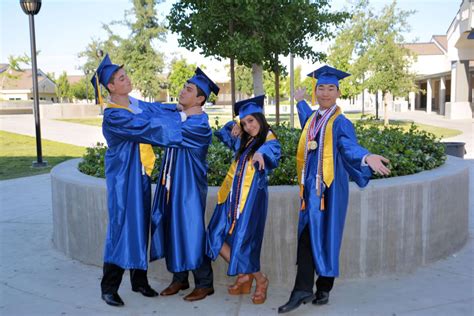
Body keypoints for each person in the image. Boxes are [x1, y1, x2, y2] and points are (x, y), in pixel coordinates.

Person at [278, 65, 391, 314]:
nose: (325, 93)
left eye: (331, 88)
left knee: (327, 236)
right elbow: (307, 122)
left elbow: (348, 146)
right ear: (315, 91)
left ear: (338, 92)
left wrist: (365, 157)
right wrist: (299, 102)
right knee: (306, 236)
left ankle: (324, 287)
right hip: (310, 191)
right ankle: (303, 289)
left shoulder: (340, 123)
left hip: (330, 192)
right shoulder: (314, 119)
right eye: (321, 88)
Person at [91, 54, 186, 307]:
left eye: (126, 75)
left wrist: (175, 108)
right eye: (121, 78)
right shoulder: (114, 115)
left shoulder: (132, 102)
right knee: (121, 227)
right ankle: (108, 287)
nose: (127, 79)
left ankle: (139, 281)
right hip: (124, 179)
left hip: (140, 174)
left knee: (141, 225)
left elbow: (151, 109)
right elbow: (144, 125)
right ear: (111, 87)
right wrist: (182, 121)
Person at [150, 68, 219, 302]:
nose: (182, 91)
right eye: (183, 86)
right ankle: (179, 278)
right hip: (171, 184)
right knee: (172, 227)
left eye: (188, 89)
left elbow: (167, 131)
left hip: (188, 188)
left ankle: (205, 283)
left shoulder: (199, 124)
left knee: (192, 231)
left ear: (200, 98)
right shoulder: (183, 117)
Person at [206, 95, 281, 304]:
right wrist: (233, 126)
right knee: (214, 237)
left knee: (243, 243)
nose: (248, 126)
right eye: (244, 122)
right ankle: (247, 275)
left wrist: (261, 155)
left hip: (250, 202)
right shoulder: (245, 140)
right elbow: (222, 134)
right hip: (229, 198)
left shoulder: (269, 141)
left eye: (252, 121)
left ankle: (259, 280)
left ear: (261, 119)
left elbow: (273, 153)